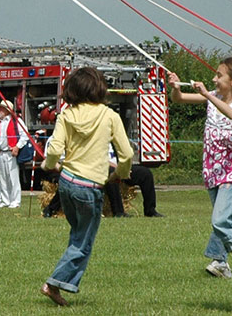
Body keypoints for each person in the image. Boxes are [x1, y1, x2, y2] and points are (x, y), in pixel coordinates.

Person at [169, 57, 232, 308]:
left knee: (220, 220)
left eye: (218, 75)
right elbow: (180, 100)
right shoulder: (214, 94)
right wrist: (175, 88)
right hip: (213, 171)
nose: (214, 79)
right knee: (231, 225)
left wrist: (207, 94)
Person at [39, 67, 133, 306]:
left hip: (67, 184)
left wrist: (50, 165)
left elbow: (54, 149)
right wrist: (119, 175)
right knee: (84, 242)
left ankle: (60, 286)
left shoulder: (66, 115)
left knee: (77, 234)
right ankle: (53, 283)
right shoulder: (109, 115)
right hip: (90, 187)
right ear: (99, 88)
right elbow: (127, 153)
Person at [0, 100, 28, 208]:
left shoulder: (16, 121)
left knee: (13, 178)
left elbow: (25, 135)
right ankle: (5, 200)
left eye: (1, 108)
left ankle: (15, 201)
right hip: (1, 152)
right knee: (2, 178)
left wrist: (17, 146)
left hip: (11, 152)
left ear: (8, 110)